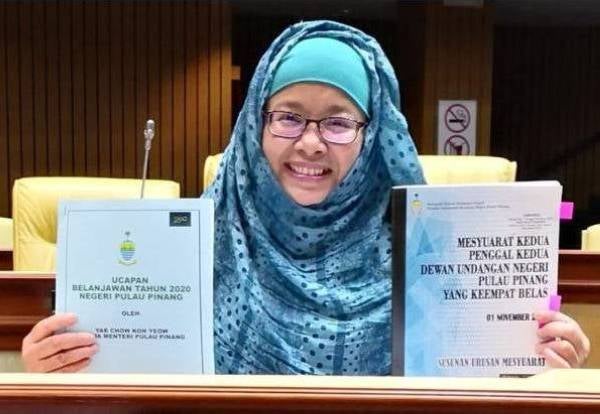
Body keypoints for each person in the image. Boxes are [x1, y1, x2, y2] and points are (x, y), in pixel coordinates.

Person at [21, 20, 590, 374]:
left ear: (372, 137)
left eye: (339, 122)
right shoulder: (195, 247)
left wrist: (539, 363)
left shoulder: (430, 263)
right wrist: (55, 366)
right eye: (289, 117)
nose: (311, 143)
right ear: (256, 124)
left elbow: (473, 388)